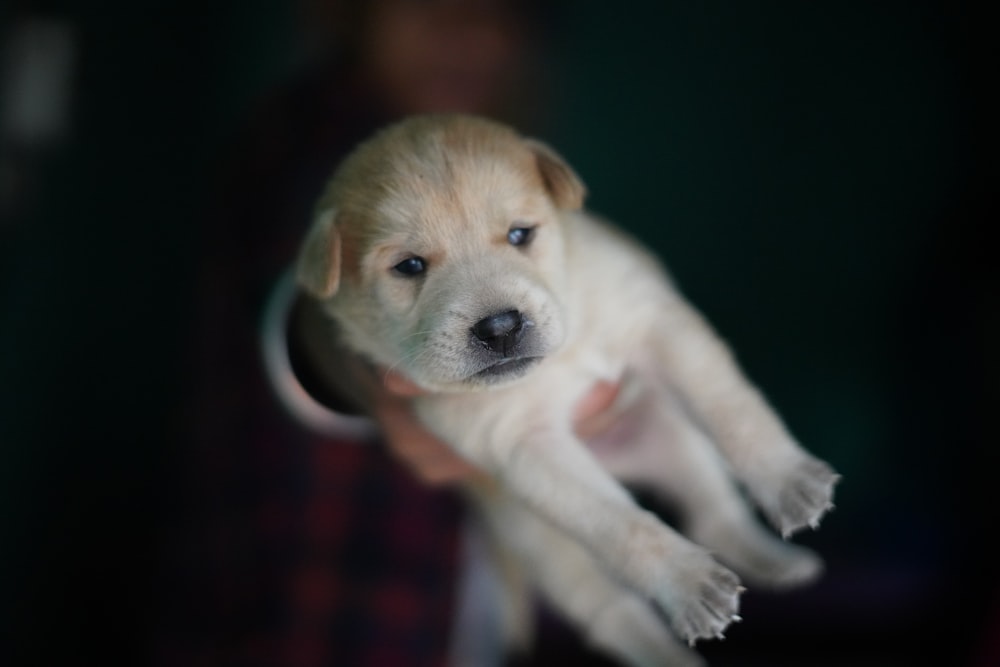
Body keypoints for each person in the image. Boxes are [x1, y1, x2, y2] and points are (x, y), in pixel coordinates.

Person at [158, 2, 622, 666]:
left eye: (496, 9)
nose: (462, 31)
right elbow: (315, 320)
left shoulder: (482, 166)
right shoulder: (320, 151)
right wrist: (394, 381)